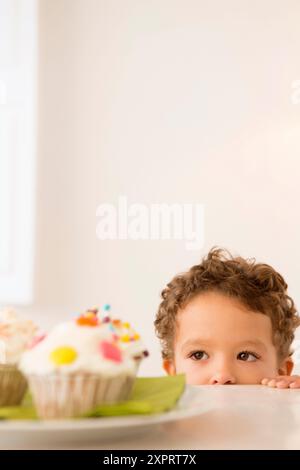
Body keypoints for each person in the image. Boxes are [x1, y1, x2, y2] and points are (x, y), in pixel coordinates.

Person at [155, 247, 300, 388]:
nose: (223, 376)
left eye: (245, 356)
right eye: (198, 355)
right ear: (173, 374)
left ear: (281, 372)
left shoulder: (284, 409)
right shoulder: (165, 412)